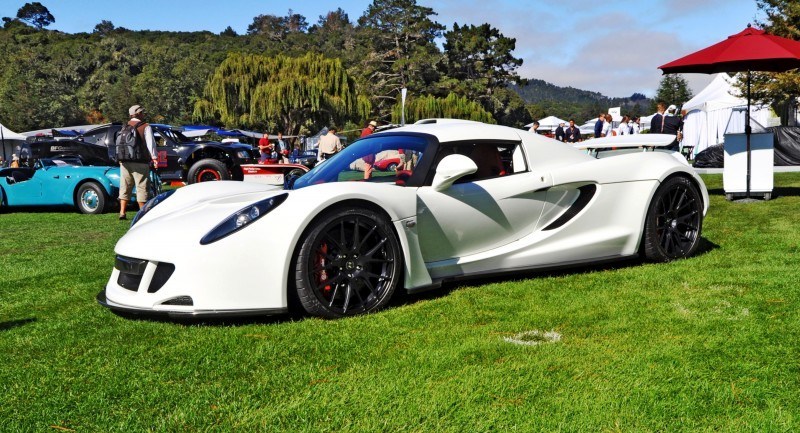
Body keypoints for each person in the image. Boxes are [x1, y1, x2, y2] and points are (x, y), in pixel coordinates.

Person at [119, 104, 158, 220]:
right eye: (142, 112)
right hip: (140, 161)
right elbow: (151, 144)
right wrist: (154, 158)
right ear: (139, 113)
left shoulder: (125, 126)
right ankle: (143, 214)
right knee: (142, 187)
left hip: (125, 161)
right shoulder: (145, 126)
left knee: (125, 186)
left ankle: (122, 212)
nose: (144, 114)